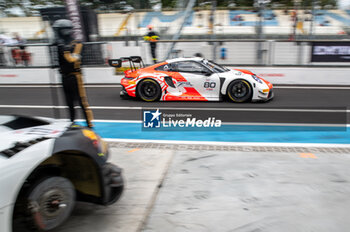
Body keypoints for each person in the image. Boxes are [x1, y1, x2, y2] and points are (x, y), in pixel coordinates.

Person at [52, 19, 94, 128]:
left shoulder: (77, 44)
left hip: (75, 77)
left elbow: (72, 59)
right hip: (64, 76)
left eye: (58, 30)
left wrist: (63, 50)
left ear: (64, 30)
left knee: (81, 101)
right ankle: (72, 122)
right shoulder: (59, 45)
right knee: (69, 102)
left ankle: (89, 124)